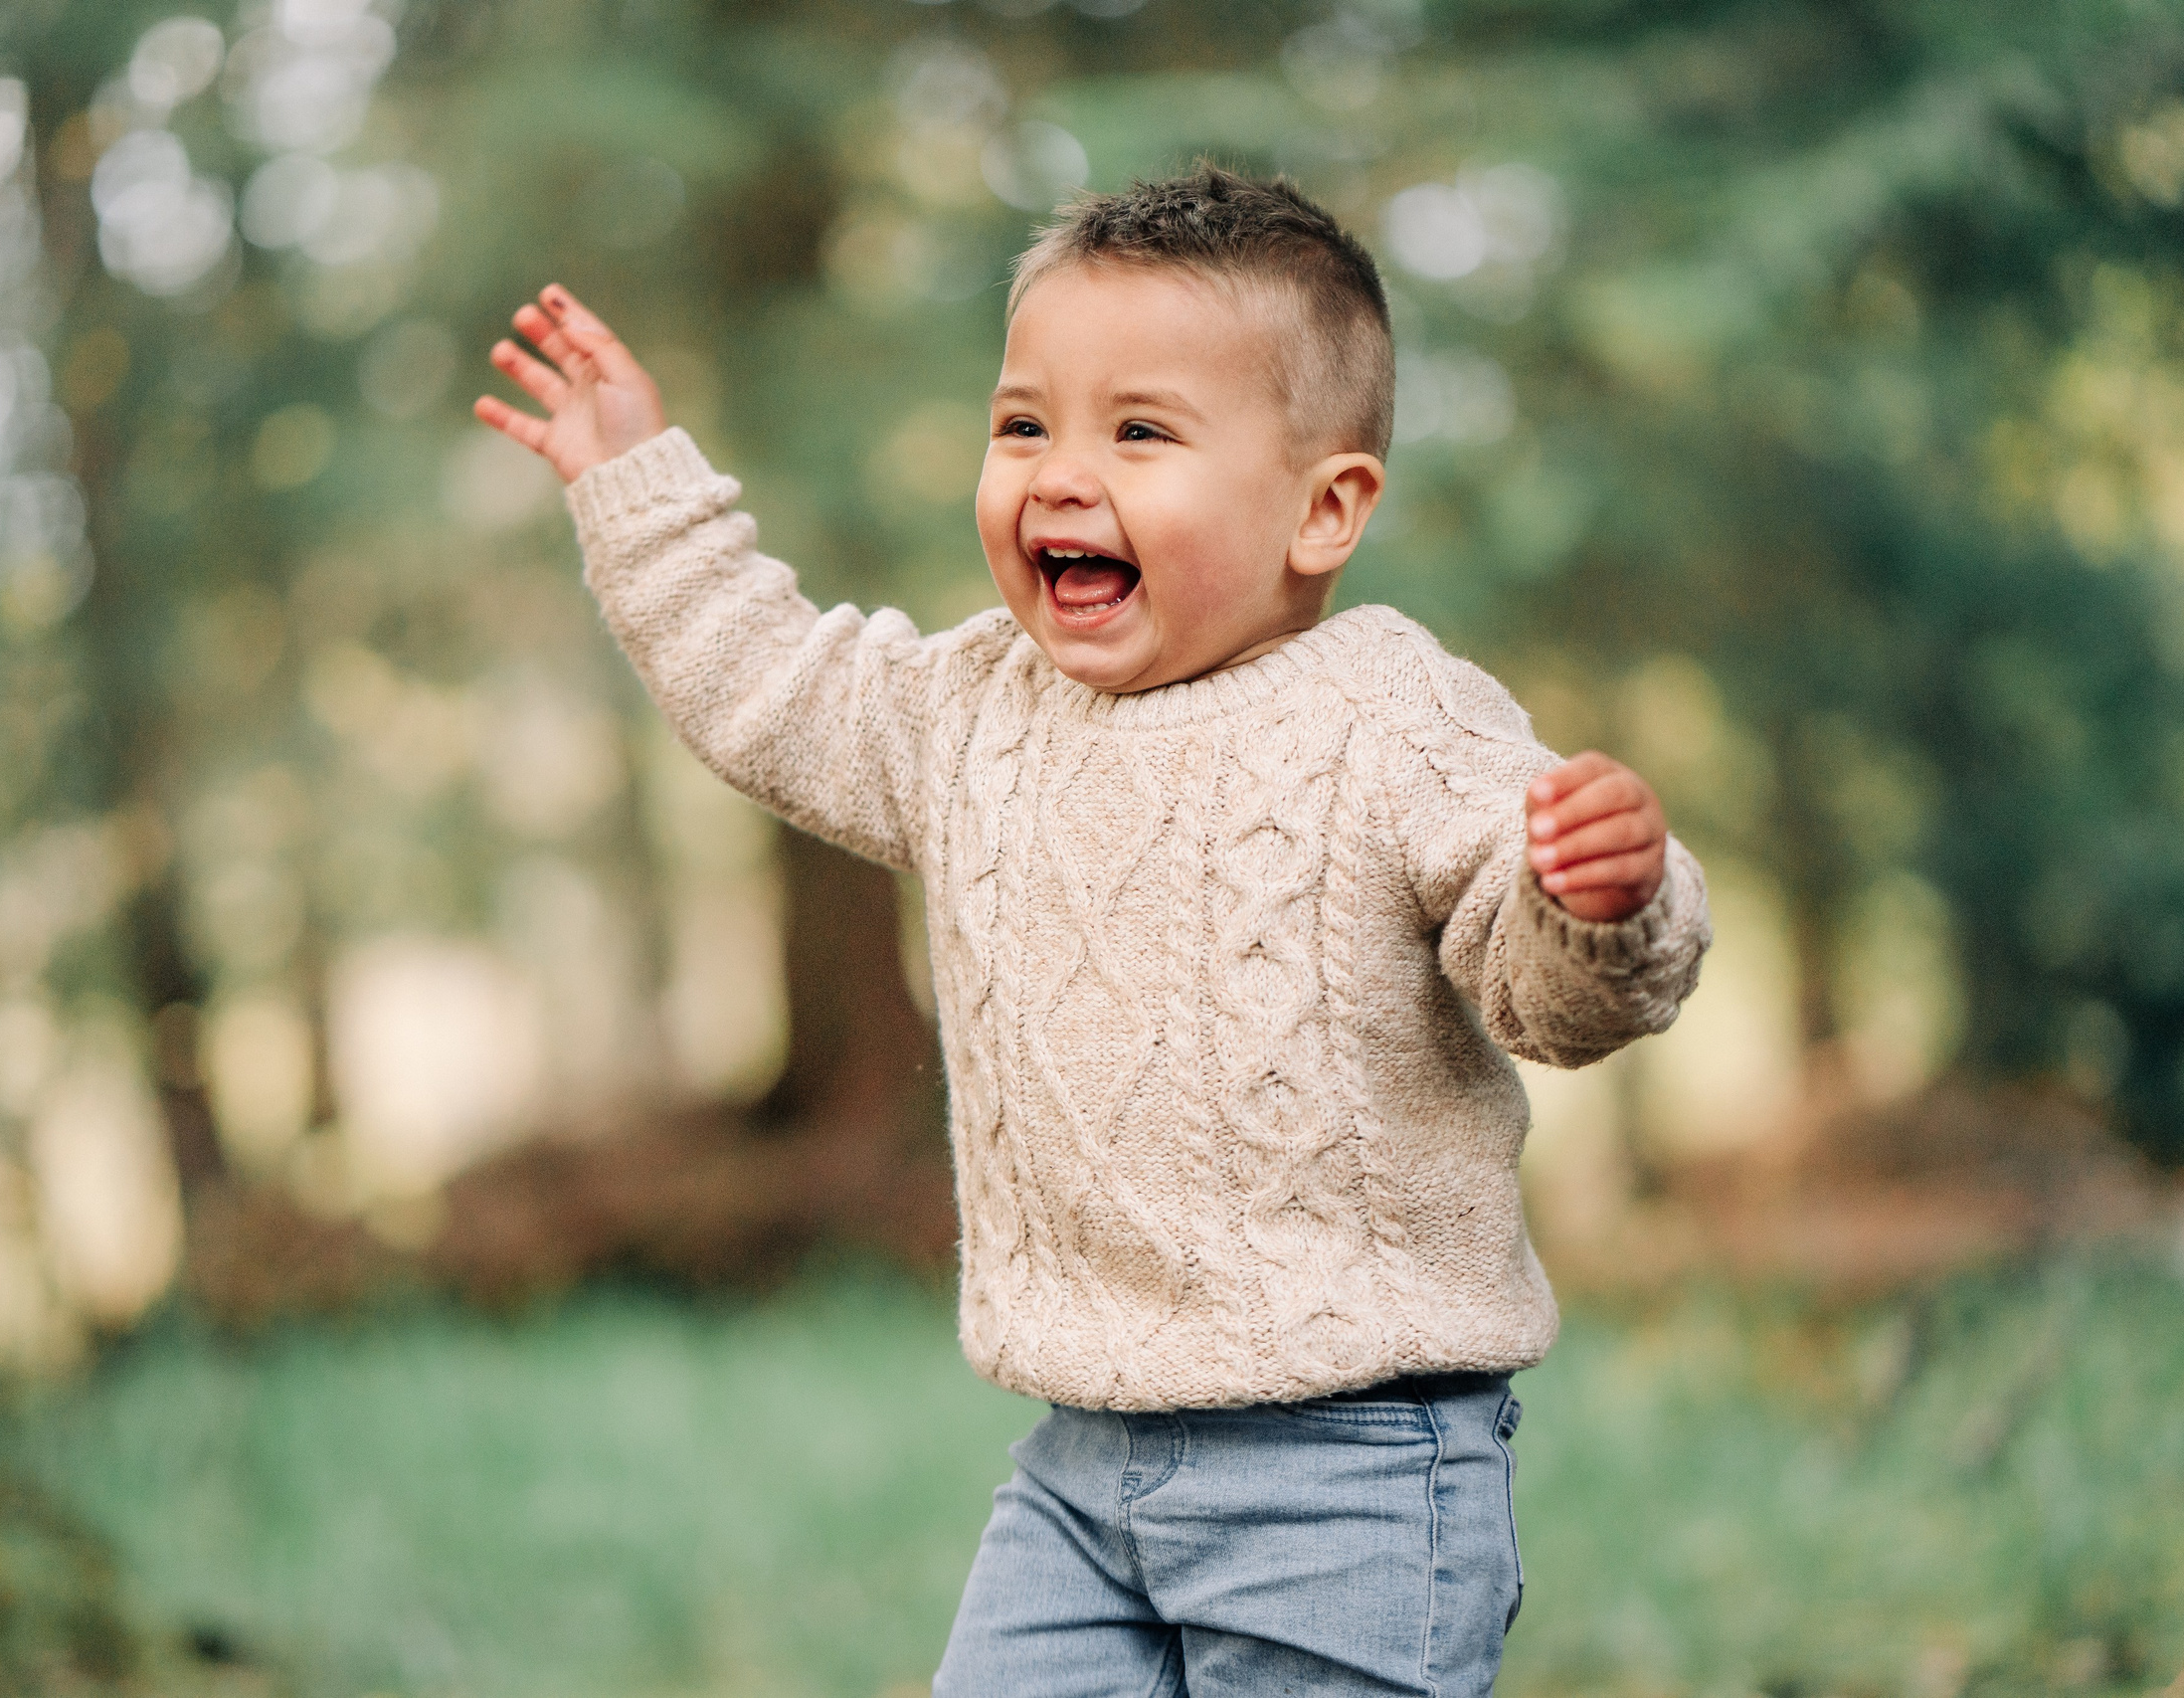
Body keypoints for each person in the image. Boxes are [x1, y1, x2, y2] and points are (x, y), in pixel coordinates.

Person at [474, 164, 1710, 1698]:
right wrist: (635, 483)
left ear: (1323, 509)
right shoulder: (973, 709)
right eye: (1022, 424)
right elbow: (771, 690)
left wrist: (1603, 902)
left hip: (1354, 1468)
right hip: (1076, 1473)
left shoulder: (1392, 717)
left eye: (1139, 431)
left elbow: (1542, 994)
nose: (1058, 474)